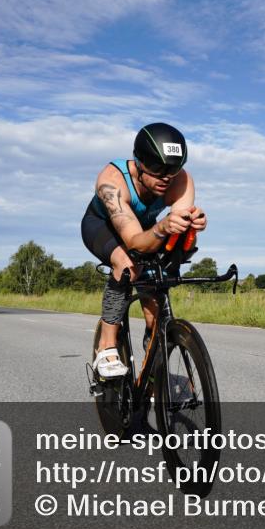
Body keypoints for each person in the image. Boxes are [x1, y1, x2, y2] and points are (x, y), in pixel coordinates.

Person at [81, 123, 207, 378]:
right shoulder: (112, 181)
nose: (166, 178)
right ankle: (107, 346)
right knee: (127, 265)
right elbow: (135, 242)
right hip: (103, 227)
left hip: (145, 229)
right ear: (139, 162)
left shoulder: (181, 180)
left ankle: (153, 375)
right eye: (158, 169)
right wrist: (163, 227)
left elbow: (173, 233)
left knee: (155, 309)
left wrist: (190, 226)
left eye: (173, 169)